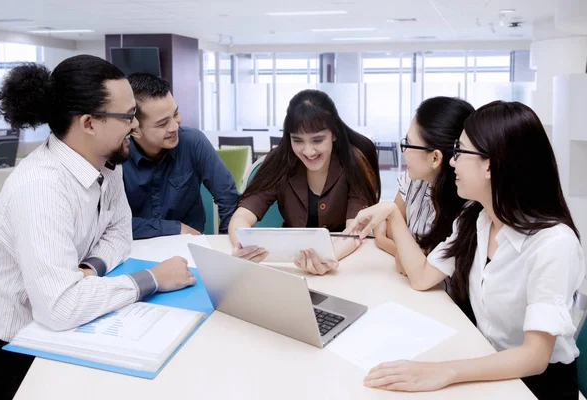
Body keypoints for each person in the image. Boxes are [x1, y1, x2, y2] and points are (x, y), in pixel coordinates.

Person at [0, 56, 196, 399]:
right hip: (16, 352)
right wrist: (153, 279)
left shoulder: (106, 161)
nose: (136, 127)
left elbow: (119, 231)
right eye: (129, 116)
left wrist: (89, 268)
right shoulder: (41, 188)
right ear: (88, 123)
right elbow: (60, 307)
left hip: (61, 335)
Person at [347, 101, 583, 399]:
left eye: (460, 152)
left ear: (491, 164)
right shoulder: (476, 218)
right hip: (486, 365)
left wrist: (445, 371)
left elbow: (534, 357)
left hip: (534, 385)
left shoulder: (553, 244)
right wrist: (393, 214)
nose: (452, 162)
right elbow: (421, 276)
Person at [228, 89, 380, 275]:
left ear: (334, 134)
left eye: (317, 140)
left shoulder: (354, 161)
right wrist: (242, 248)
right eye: (298, 140)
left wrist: (328, 258)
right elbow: (241, 217)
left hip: (344, 262)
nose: (308, 151)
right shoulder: (281, 160)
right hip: (290, 266)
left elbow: (355, 231)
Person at [122, 73, 239, 239]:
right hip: (133, 248)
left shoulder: (193, 142)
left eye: (175, 114)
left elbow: (228, 198)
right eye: (162, 124)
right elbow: (110, 224)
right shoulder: (117, 156)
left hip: (189, 246)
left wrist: (225, 244)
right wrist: (173, 228)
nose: (174, 126)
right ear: (135, 129)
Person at [375, 97, 474, 274]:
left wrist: (390, 244)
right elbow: (391, 230)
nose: (403, 151)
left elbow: (424, 268)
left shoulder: (469, 208)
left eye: (409, 144)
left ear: (435, 158)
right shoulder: (412, 180)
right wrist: (400, 250)